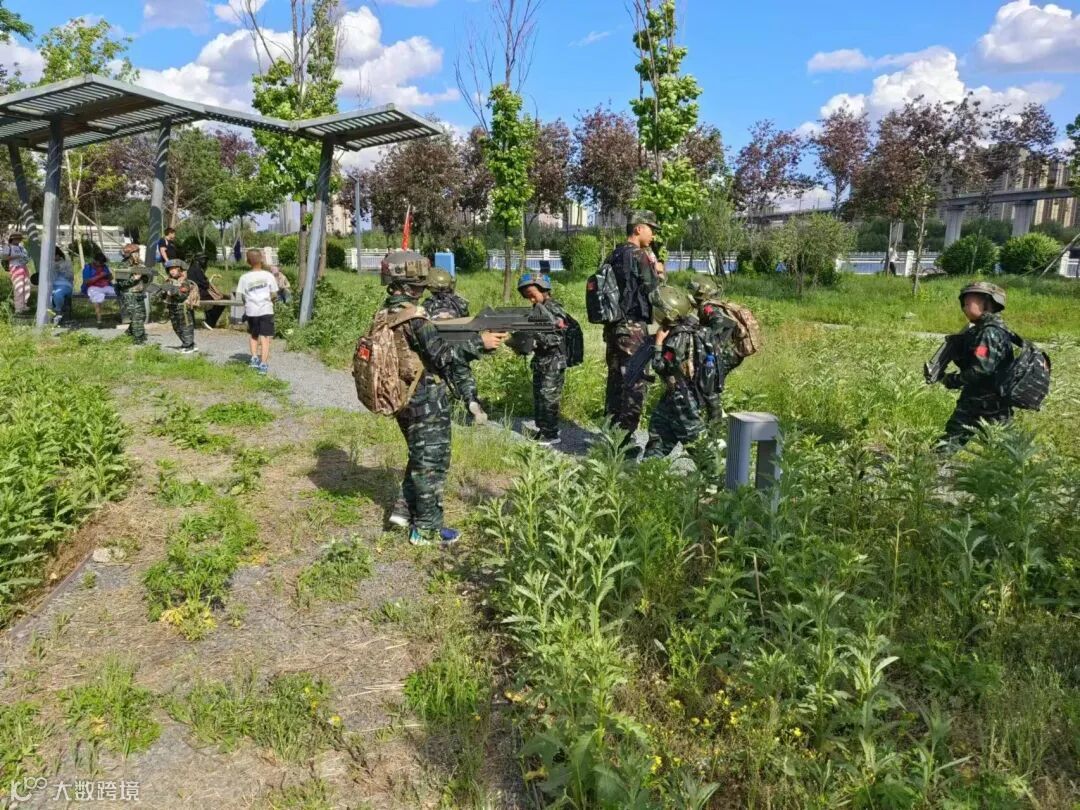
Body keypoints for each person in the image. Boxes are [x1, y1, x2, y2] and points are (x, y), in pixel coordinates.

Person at [377, 249, 507, 545]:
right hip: (425, 398)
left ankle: (403, 511)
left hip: (402, 395)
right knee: (432, 464)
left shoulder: (386, 312)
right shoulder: (415, 318)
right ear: (413, 281)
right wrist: (480, 342)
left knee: (419, 456)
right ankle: (426, 530)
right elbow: (443, 356)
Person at [603, 211, 665, 445]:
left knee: (615, 382)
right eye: (651, 229)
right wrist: (660, 273)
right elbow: (654, 292)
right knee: (634, 382)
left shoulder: (614, 254)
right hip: (632, 329)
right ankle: (625, 441)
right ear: (639, 228)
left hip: (613, 327)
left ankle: (611, 436)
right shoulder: (640, 255)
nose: (653, 235)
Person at [939, 282, 1015, 447]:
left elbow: (980, 370)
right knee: (1003, 448)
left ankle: (934, 462)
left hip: (981, 401)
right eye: (963, 304)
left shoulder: (989, 332)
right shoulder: (988, 329)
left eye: (968, 303)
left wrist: (952, 380)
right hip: (993, 400)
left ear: (987, 303)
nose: (964, 308)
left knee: (951, 441)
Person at [642, 285, 710, 460]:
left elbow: (661, 367)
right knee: (658, 431)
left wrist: (658, 343)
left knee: (698, 446)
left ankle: (717, 475)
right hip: (675, 394)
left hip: (684, 398)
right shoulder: (691, 327)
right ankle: (649, 468)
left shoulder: (676, 339)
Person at [517, 272, 571, 446]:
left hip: (553, 362)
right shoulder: (538, 309)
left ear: (544, 289)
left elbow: (558, 336)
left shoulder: (554, 309)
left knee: (549, 398)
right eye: (527, 297)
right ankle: (543, 429)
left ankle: (551, 434)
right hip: (541, 361)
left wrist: (535, 340)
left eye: (533, 295)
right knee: (540, 396)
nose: (531, 299)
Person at [686, 275, 743, 420]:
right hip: (728, 351)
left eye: (694, 291)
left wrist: (704, 335)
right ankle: (715, 416)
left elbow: (719, 321)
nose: (691, 295)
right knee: (710, 383)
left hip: (726, 352)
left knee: (710, 385)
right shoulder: (713, 303)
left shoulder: (708, 306)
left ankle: (715, 423)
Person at [236, 249, 279, 375]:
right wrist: (270, 301)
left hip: (251, 311)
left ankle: (254, 357)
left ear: (247, 261)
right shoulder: (268, 276)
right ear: (261, 259)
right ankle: (263, 364)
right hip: (266, 310)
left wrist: (248, 304)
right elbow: (274, 294)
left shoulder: (244, 277)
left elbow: (243, 296)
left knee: (254, 334)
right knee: (265, 337)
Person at [114, 245, 153, 344]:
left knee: (142, 316)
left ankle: (130, 333)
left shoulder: (140, 263)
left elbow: (146, 280)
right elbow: (121, 284)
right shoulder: (123, 265)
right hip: (129, 294)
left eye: (138, 252)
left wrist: (145, 275)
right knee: (136, 317)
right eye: (135, 253)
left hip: (139, 293)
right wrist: (134, 279)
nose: (137, 255)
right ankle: (138, 339)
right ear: (129, 254)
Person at [160, 259, 198, 354]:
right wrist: (163, 292)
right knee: (176, 327)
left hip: (182, 308)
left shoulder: (184, 282)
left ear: (180, 270)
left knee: (185, 327)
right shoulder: (169, 281)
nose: (172, 271)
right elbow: (163, 296)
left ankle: (189, 346)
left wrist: (173, 292)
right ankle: (187, 343)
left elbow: (182, 296)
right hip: (172, 307)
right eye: (170, 269)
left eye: (174, 269)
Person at [185, 253, 226, 329]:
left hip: (193, 293)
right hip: (199, 294)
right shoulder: (197, 269)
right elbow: (205, 284)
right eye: (203, 259)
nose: (205, 261)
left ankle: (208, 320)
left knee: (220, 297)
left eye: (205, 260)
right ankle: (209, 322)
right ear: (198, 260)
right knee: (223, 300)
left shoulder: (191, 268)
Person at [80, 252, 115, 327]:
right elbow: (86, 282)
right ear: (94, 260)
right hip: (92, 287)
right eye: (100, 263)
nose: (101, 264)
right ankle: (99, 320)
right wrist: (99, 276)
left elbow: (110, 278)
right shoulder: (88, 267)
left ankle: (126, 317)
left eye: (102, 263)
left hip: (105, 286)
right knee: (97, 298)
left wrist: (108, 277)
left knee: (119, 292)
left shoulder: (104, 266)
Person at [1, 232, 31, 314]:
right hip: (15, 268)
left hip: (24, 268)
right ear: (12, 239)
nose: (18, 240)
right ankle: (18, 307)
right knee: (19, 288)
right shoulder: (8, 247)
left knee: (26, 287)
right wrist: (16, 256)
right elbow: (4, 257)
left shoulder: (21, 248)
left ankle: (24, 305)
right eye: (16, 238)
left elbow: (26, 257)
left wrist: (26, 258)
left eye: (19, 239)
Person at [50, 247, 74, 323]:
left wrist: (62, 270)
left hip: (65, 285)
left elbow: (71, 277)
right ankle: (49, 314)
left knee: (58, 294)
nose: (53, 258)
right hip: (52, 285)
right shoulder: (49, 263)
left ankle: (58, 312)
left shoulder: (66, 262)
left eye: (54, 255)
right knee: (48, 295)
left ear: (58, 255)